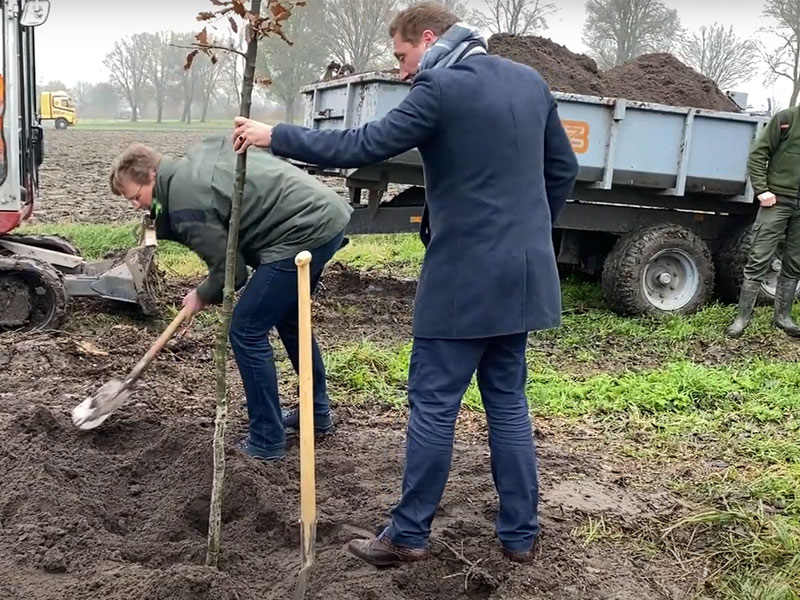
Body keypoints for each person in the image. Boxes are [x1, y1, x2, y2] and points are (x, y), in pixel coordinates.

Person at [232, 2, 578, 564]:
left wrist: (278, 135)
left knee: (434, 405)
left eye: (401, 56)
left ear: (428, 37)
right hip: (523, 276)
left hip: (463, 280)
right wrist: (530, 231)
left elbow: (361, 145)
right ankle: (520, 536)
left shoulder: (441, 88)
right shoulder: (530, 82)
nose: (401, 71)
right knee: (508, 403)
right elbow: (562, 169)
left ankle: (409, 535)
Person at [108, 135, 352, 460]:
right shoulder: (192, 163)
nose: (135, 205)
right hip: (323, 217)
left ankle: (266, 441)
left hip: (301, 230)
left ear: (151, 175)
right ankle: (316, 414)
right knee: (289, 319)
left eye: (135, 197)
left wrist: (200, 295)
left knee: (246, 329)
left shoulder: (184, 201)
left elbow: (232, 273)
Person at [727, 106, 800, 338]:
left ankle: (783, 318)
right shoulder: (787, 119)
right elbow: (759, 153)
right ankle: (742, 319)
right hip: (777, 201)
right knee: (759, 257)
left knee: (795, 262)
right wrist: (762, 189)